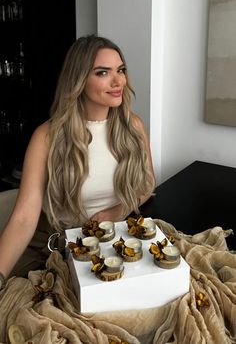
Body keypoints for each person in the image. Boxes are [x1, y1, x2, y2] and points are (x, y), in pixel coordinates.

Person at [0, 34, 155, 285]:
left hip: (110, 238)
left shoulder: (133, 126)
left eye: (121, 70)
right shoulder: (47, 136)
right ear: (79, 80)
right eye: (103, 73)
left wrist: (115, 211)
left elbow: (147, 184)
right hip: (54, 242)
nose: (118, 81)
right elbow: (24, 218)